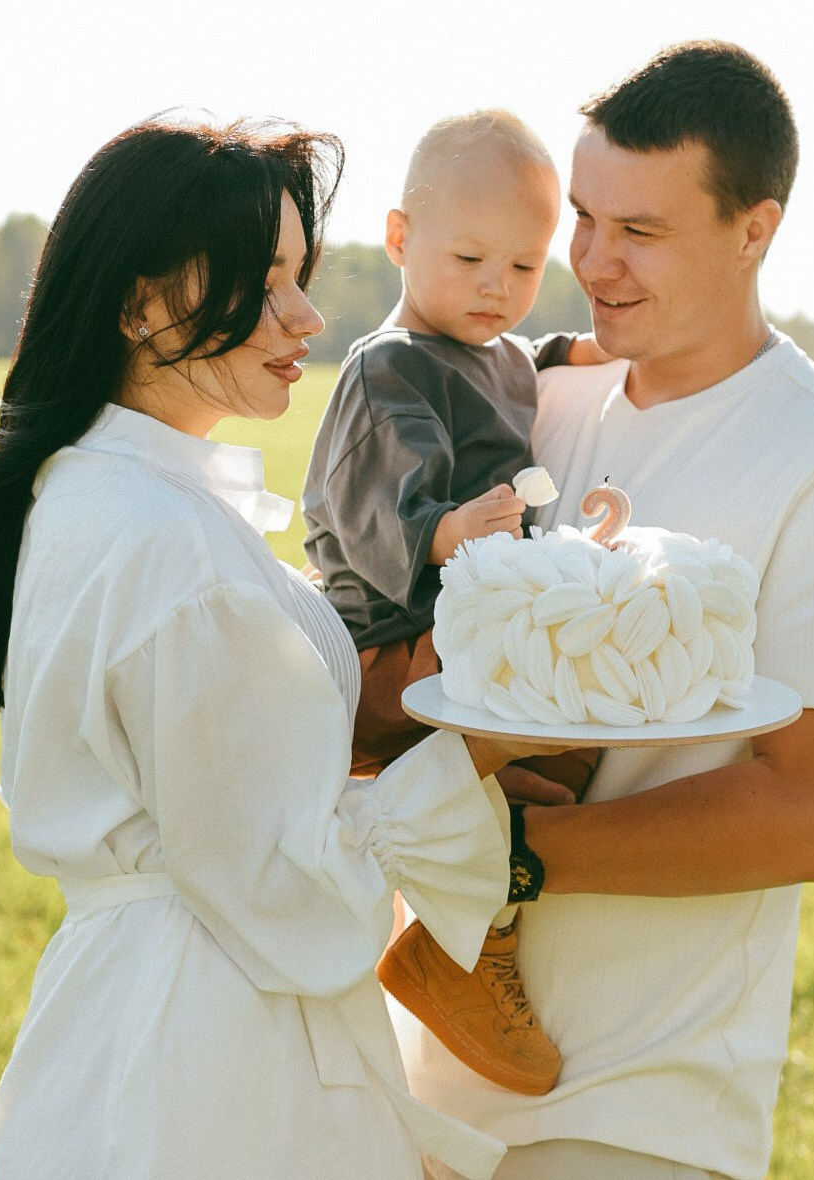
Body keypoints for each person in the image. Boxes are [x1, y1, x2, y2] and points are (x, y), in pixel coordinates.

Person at [0, 116, 552, 1180]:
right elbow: (291, 893)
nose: (307, 316)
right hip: (213, 1054)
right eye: (262, 283)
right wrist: (479, 749)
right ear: (138, 303)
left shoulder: (96, 494)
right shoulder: (169, 548)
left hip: (145, 1018)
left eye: (300, 275)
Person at [396, 42, 814, 1180]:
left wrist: (506, 854)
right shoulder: (530, 402)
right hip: (414, 1081)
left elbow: (811, 816)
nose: (592, 260)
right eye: (584, 218)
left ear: (756, 230)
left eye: (638, 230)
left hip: (637, 1106)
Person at [303, 111, 606, 1097]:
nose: (495, 288)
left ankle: (459, 914)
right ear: (399, 241)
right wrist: (440, 532)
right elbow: (371, 497)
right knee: (525, 708)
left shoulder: (503, 353)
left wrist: (583, 354)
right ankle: (464, 951)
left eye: (522, 268)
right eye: (469, 257)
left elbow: (532, 357)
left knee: (557, 758)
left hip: (446, 630)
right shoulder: (386, 366)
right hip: (386, 644)